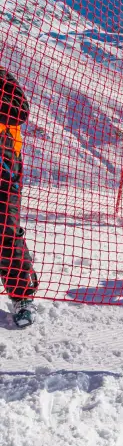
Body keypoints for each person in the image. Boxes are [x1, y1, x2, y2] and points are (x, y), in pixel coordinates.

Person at [0, 67, 38, 327]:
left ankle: (22, 297)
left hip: (4, 170)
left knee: (6, 233)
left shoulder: (3, 79)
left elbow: (20, 112)